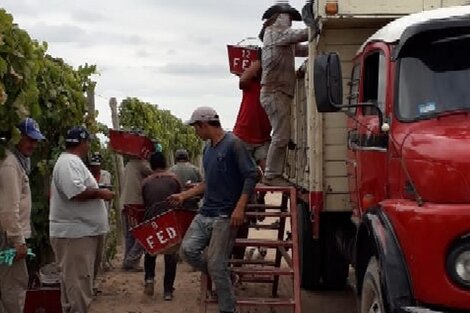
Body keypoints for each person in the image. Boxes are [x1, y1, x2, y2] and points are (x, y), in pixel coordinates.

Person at [169, 107, 258, 313]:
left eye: (195, 128)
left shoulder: (234, 144)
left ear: (204, 125)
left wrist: (240, 207)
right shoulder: (207, 149)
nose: (195, 132)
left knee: (217, 265)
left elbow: (251, 175)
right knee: (187, 251)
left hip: (225, 215)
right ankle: (227, 276)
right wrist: (183, 196)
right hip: (206, 212)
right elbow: (207, 183)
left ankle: (228, 309)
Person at [49, 126, 114, 313]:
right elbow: (75, 191)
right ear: (84, 143)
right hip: (75, 234)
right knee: (78, 284)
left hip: (80, 232)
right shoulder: (68, 162)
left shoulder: (71, 162)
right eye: (89, 142)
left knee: (76, 284)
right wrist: (102, 193)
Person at [259, 2, 308, 186]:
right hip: (275, 91)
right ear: (279, 17)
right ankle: (271, 175)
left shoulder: (280, 38)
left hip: (277, 91)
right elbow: (300, 35)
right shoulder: (274, 33)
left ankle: (273, 173)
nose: (290, 22)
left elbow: (300, 48)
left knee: (282, 134)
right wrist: (316, 24)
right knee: (280, 135)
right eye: (288, 18)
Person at [0, 118, 45, 313]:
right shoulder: (10, 164)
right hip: (9, 239)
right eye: (29, 139)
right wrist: (18, 241)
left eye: (35, 140)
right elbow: (9, 209)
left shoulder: (16, 162)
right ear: (17, 137)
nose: (33, 144)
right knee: (14, 289)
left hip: (8, 236)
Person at [141, 152, 182, 300]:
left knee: (150, 251)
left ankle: (149, 278)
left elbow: (144, 202)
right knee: (171, 255)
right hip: (169, 221)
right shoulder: (174, 180)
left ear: (151, 165)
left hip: (151, 220)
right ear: (165, 163)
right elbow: (179, 199)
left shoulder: (145, 182)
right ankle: (168, 291)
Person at [233, 58, 272, 172]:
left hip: (262, 137)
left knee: (269, 172)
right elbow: (243, 80)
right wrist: (261, 60)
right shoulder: (252, 84)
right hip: (244, 136)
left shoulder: (271, 86)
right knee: (240, 173)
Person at [120, 155, 152, 271]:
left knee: (130, 235)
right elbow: (155, 172)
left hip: (125, 202)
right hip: (135, 203)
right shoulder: (141, 163)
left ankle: (128, 262)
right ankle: (131, 260)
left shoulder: (128, 164)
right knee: (142, 233)